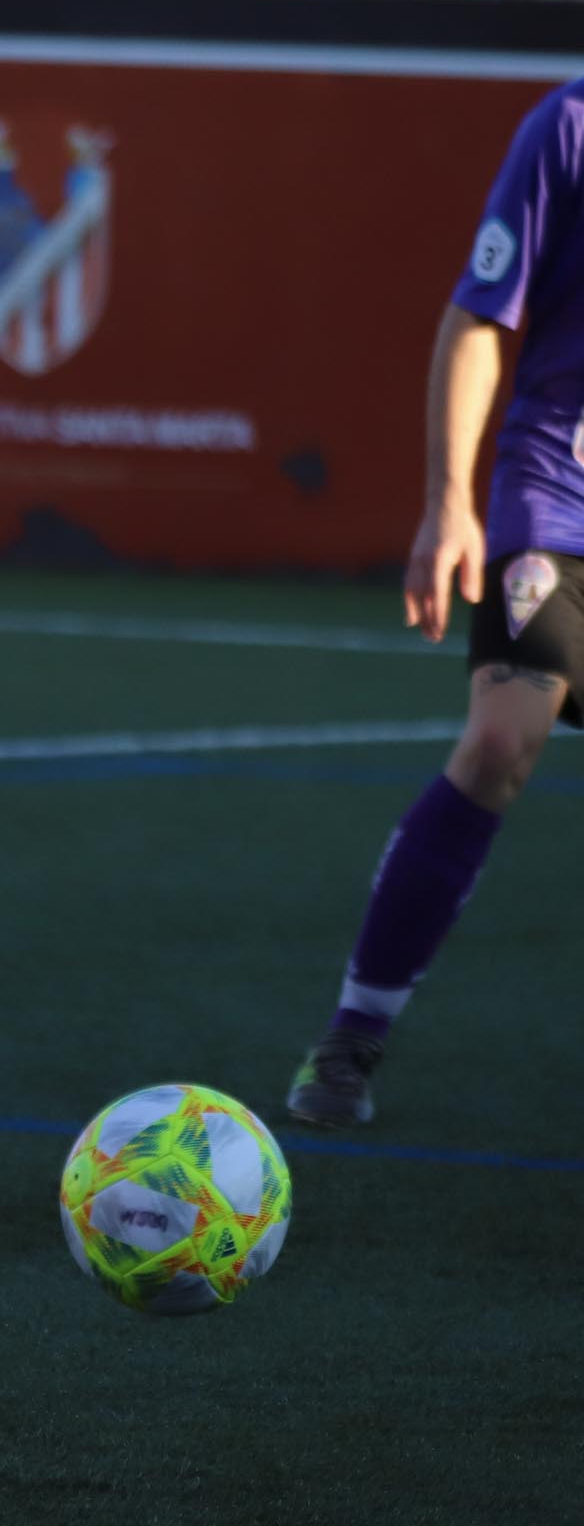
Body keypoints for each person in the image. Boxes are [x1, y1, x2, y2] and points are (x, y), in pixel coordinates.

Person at [287, 78, 584, 1127]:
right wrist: (447, 503)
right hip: (560, 504)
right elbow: (478, 315)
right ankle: (353, 1038)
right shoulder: (570, 124)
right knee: (501, 740)